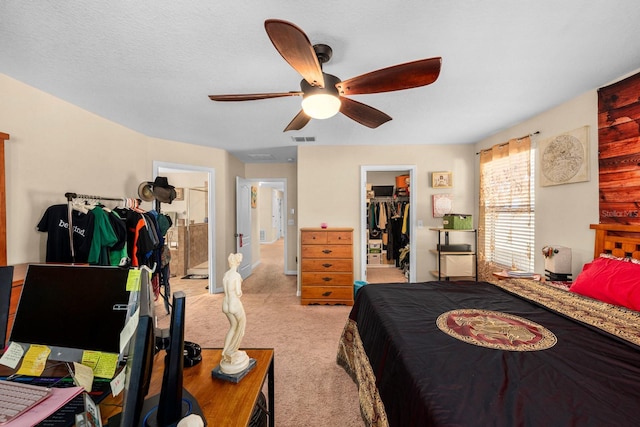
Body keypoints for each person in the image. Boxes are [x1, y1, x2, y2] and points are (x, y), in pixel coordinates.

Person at [220, 253, 250, 374]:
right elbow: (238, 292)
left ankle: (225, 351)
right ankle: (233, 351)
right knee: (241, 324)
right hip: (234, 303)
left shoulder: (226, 275)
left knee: (233, 326)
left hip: (225, 303)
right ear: (237, 263)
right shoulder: (236, 275)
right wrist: (240, 290)